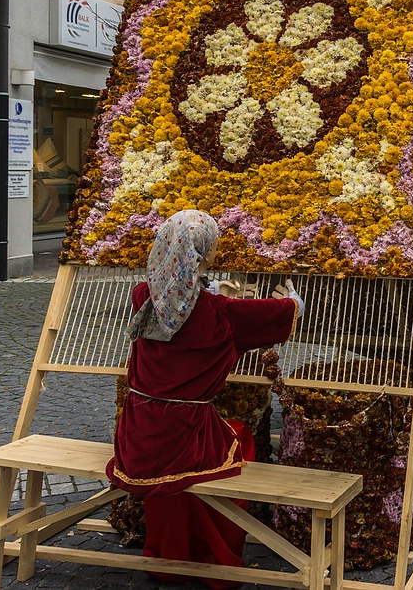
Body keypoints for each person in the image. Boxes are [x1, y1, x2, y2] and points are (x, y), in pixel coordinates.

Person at [106, 209, 303, 589]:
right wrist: (293, 298)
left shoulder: (144, 296)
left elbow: (179, 303)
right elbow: (284, 312)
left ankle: (170, 553)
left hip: (136, 435)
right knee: (239, 440)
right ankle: (212, 553)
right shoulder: (221, 314)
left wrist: (207, 288)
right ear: (201, 254)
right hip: (184, 438)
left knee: (187, 470)